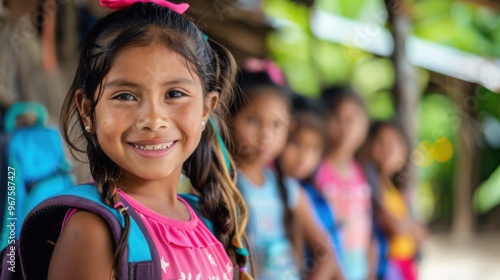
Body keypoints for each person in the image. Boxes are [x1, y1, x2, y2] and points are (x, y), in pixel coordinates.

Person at [48, 1, 251, 279]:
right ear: (88, 111)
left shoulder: (213, 223)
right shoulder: (95, 231)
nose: (153, 120)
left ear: (206, 108)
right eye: (125, 96)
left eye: (175, 94)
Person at [230, 70, 341, 280]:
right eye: (253, 120)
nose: (265, 134)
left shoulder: (287, 188)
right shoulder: (222, 187)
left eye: (276, 124)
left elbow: (326, 251)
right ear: (229, 117)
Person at [277, 95, 344, 276]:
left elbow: (330, 257)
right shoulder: (275, 188)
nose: (304, 157)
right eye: (296, 143)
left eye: (314, 148)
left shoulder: (314, 197)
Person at [314, 87, 372, 280]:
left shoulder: (361, 171)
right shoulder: (316, 170)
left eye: (353, 119)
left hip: (359, 269)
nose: (346, 126)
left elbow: (367, 224)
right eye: (338, 118)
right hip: (327, 269)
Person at [360, 121, 426, 280]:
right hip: (387, 266)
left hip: (407, 264)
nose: (388, 150)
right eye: (381, 143)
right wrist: (410, 225)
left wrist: (408, 225)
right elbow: (396, 228)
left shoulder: (398, 192)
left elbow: (421, 234)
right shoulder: (371, 188)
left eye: (395, 143)